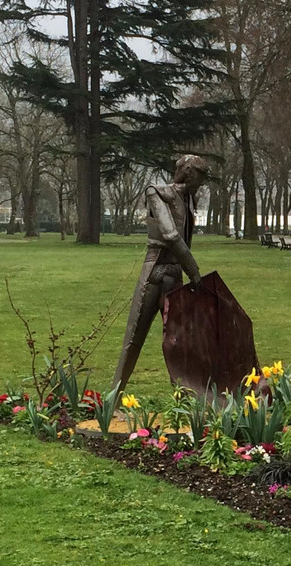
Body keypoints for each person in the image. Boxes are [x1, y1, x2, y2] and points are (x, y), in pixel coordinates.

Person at [112, 155, 209, 395]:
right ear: (189, 173)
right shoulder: (156, 192)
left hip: (175, 277)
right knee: (134, 339)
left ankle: (182, 406)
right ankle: (112, 399)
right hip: (154, 273)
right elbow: (170, 235)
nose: (201, 184)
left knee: (179, 344)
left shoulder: (188, 200)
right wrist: (194, 271)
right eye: (200, 177)